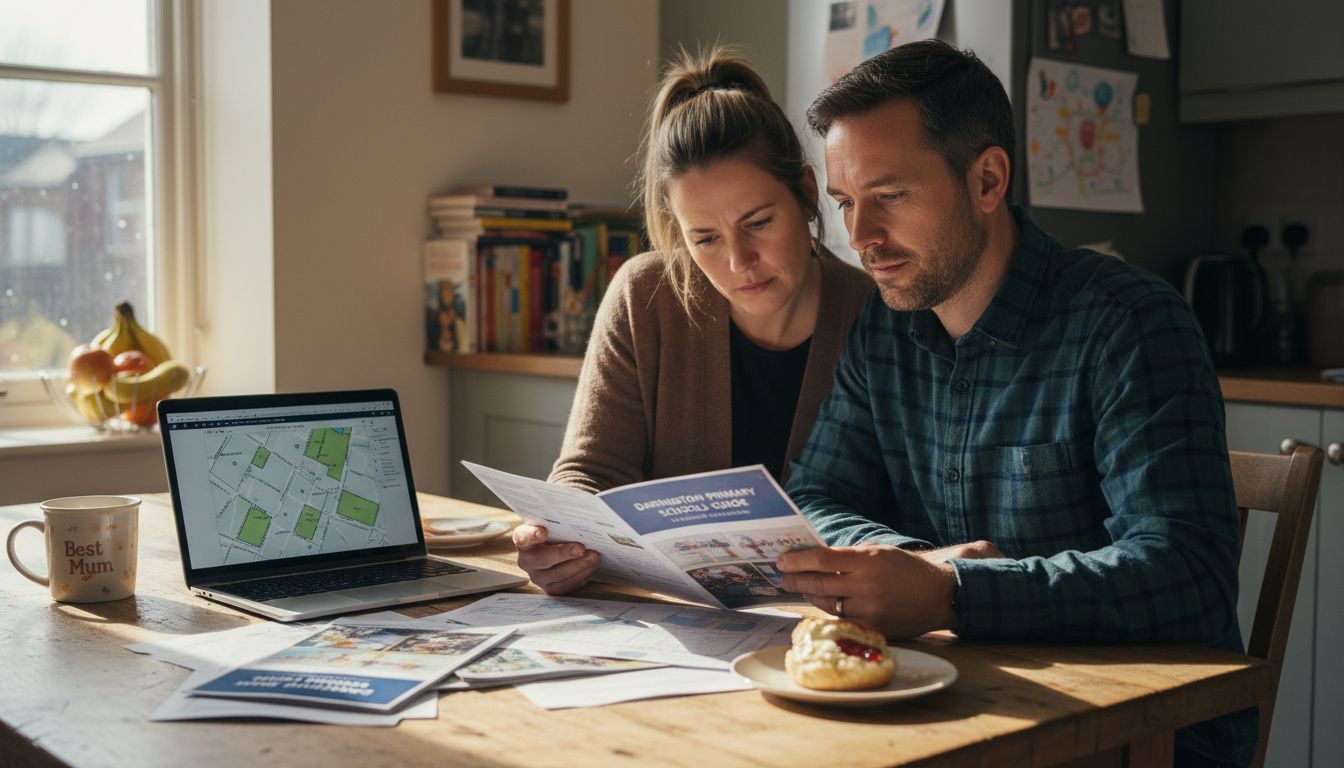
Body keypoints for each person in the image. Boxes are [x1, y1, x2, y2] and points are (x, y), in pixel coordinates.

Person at [774, 39, 1252, 767]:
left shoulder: (1129, 323)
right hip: (959, 708)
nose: (860, 238)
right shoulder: (887, 327)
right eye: (845, 202)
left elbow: (1187, 574)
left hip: (1135, 733)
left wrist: (952, 593)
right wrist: (909, 565)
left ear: (988, 179)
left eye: (890, 196)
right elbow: (818, 491)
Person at [511, 47, 874, 596]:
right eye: (703, 238)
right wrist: (555, 541)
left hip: (828, 627)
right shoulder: (645, 296)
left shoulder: (873, 312)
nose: (737, 262)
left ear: (804, 192)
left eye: (757, 223)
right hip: (675, 625)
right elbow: (588, 472)